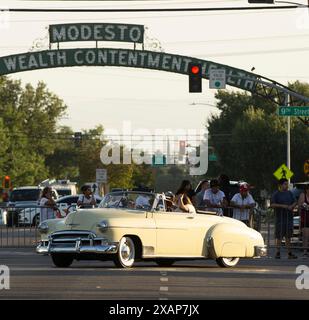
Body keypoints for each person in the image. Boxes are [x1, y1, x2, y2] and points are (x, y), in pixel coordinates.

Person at [270, 178, 297, 259]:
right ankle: (277, 252)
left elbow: (295, 201)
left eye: (287, 184)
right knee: (279, 236)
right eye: (285, 184)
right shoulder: (276, 194)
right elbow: (272, 204)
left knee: (288, 236)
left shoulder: (290, 193)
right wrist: (283, 206)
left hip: (289, 218)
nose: (286, 186)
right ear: (280, 185)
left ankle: (289, 253)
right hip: (280, 219)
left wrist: (292, 206)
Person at [298, 184, 309, 258]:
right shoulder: (303, 195)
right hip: (305, 218)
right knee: (305, 236)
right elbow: (300, 205)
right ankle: (305, 252)